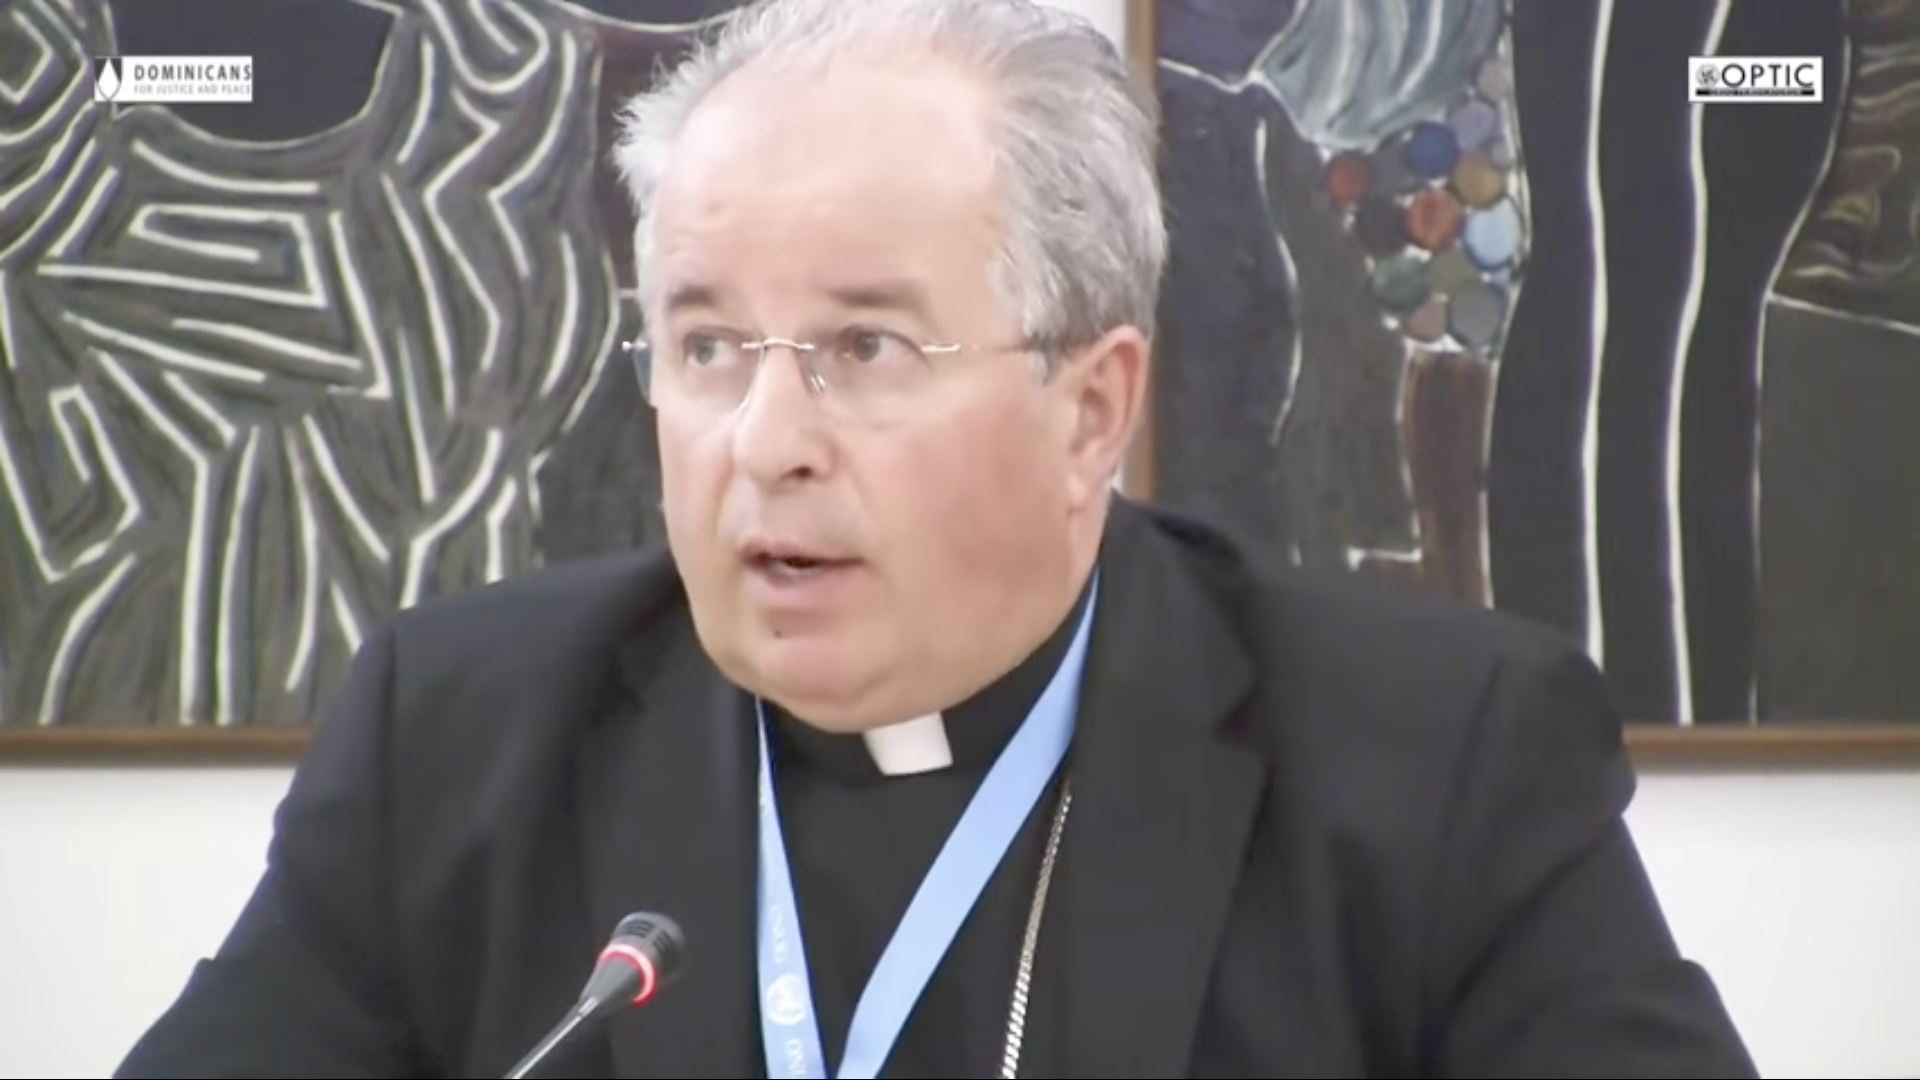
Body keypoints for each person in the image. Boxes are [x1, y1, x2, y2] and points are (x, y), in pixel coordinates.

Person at [113, 0, 1758, 1075]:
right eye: (706, 344)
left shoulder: (1438, 765)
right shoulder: (456, 742)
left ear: (1090, 408)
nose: (765, 441)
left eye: (865, 347)